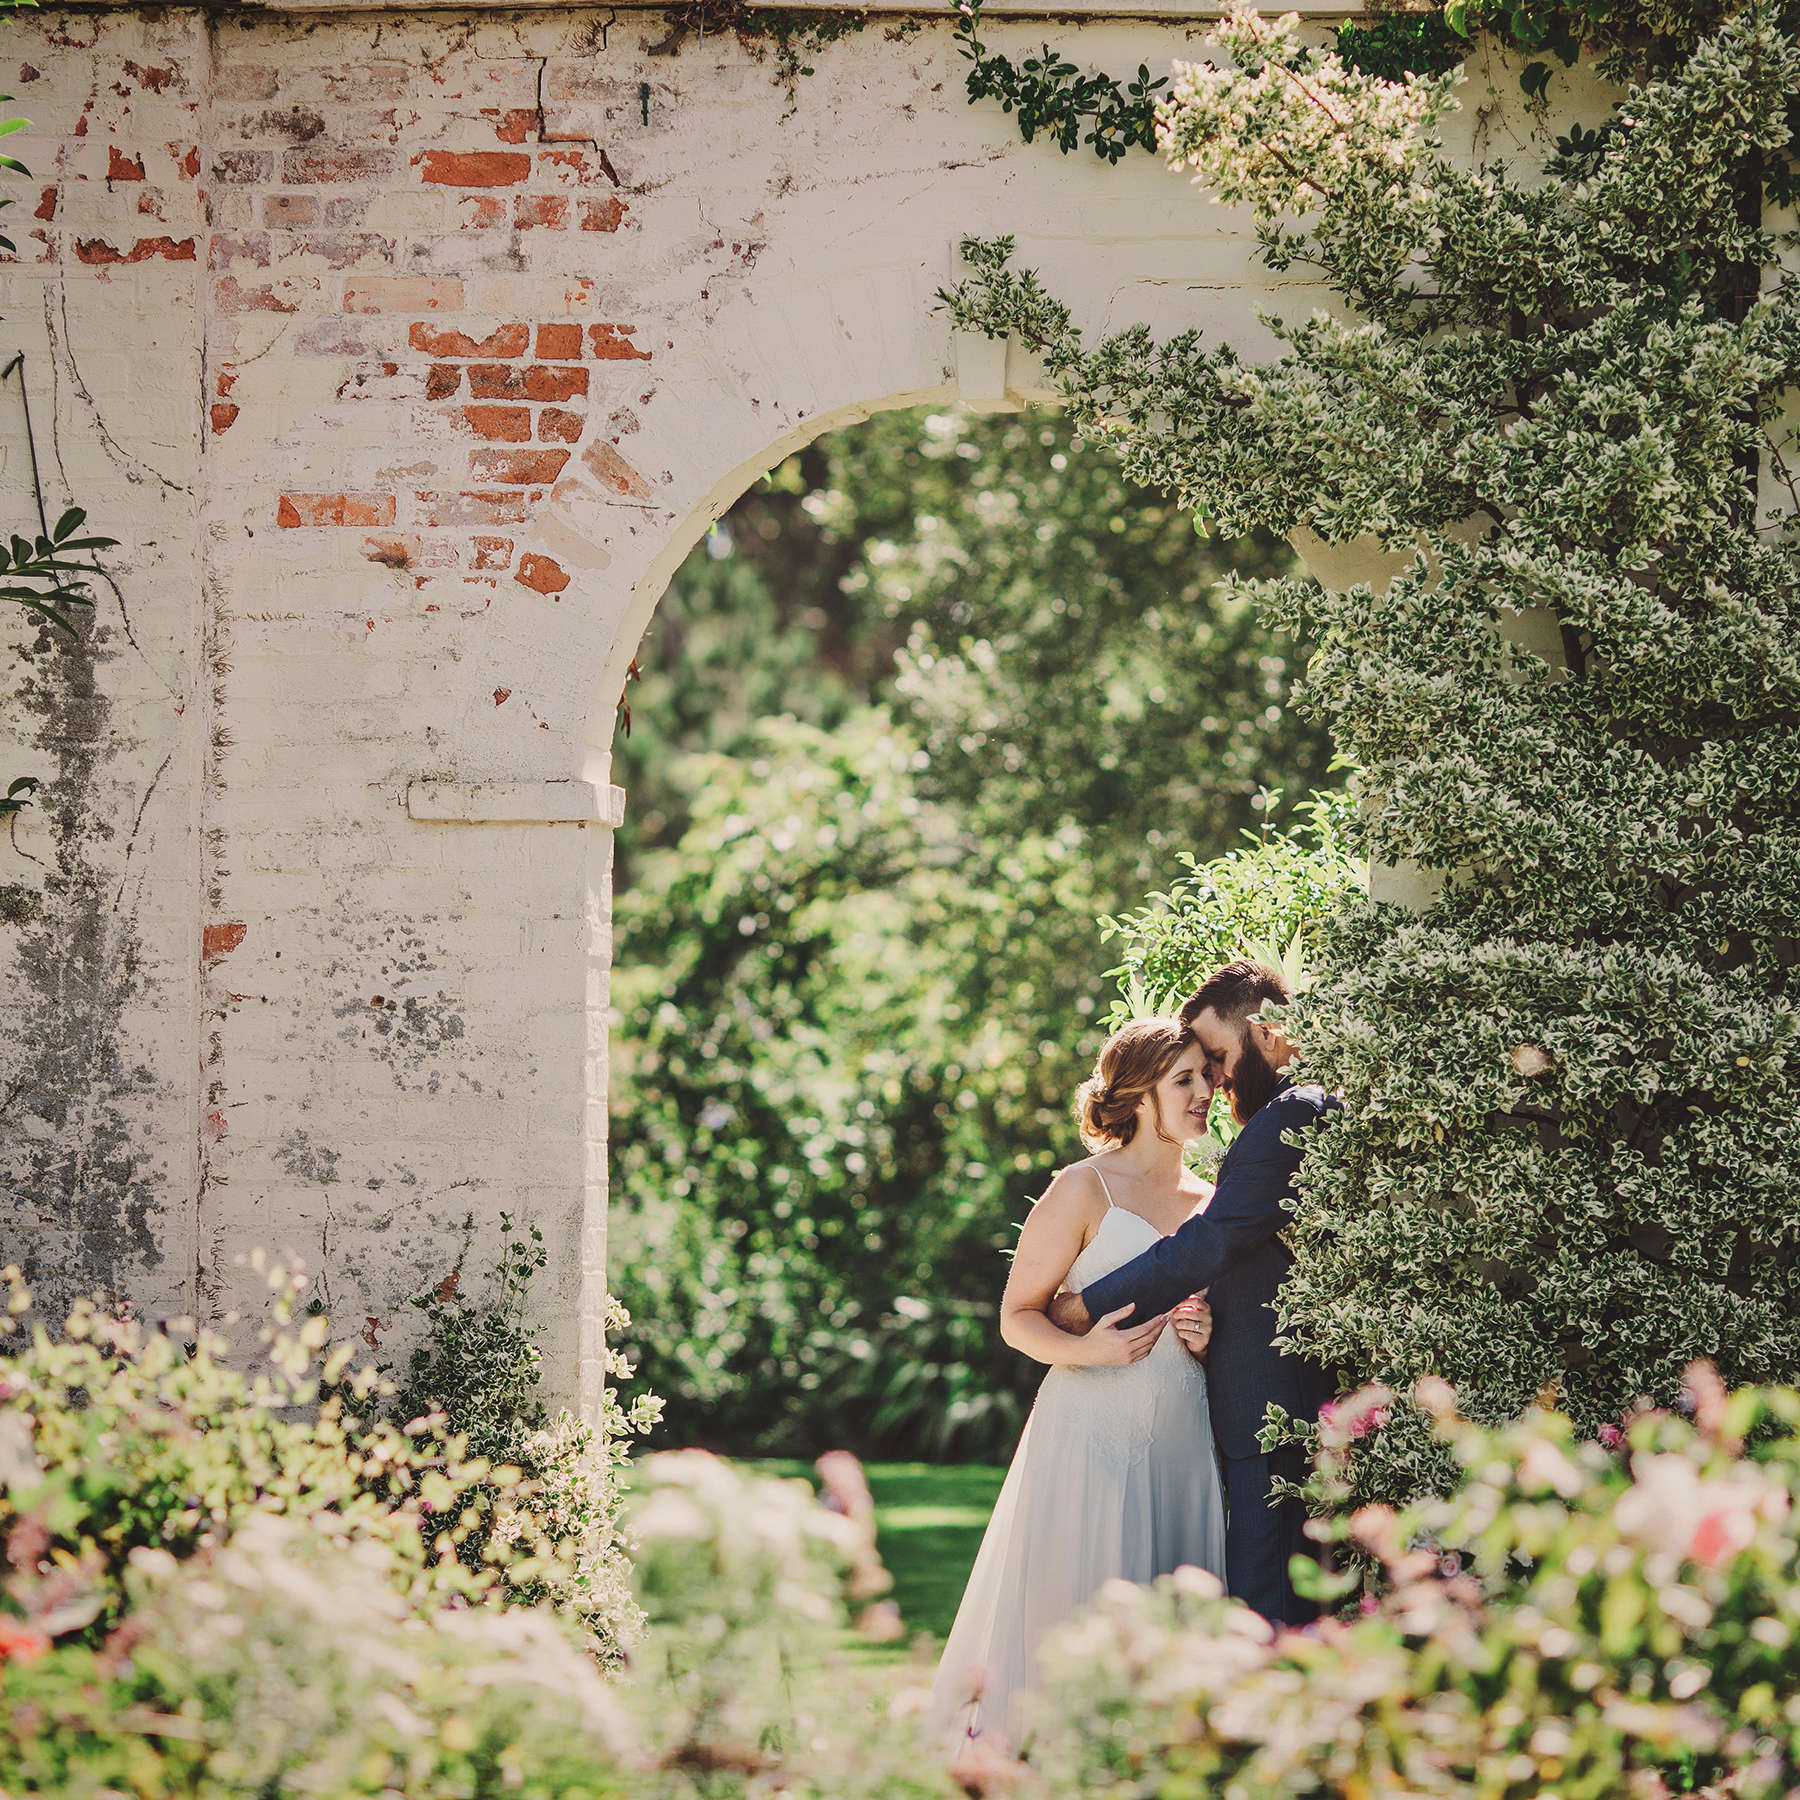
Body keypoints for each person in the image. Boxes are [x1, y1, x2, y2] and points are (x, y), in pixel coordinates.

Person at [927, 1018, 1226, 1752]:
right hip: (1089, 1432)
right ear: (1139, 1093)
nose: (1204, 1092)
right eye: (1183, 1079)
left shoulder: (1216, 1200)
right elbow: (1016, 1318)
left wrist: (1210, 1339)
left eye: (1206, 1077)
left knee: (1172, 1626)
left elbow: (1227, 1327)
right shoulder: (1083, 1187)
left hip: (1184, 1438)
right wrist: (1089, 1350)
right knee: (1076, 1613)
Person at [1048, 959, 1338, 1626]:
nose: (1214, 1079)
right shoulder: (1278, 1118)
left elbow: (1211, 1244)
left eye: (1216, 1056)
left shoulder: (1293, 1113)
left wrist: (1084, 1305)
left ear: (1269, 1034)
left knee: (1272, 1619)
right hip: (1249, 1419)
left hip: (1273, 1415)